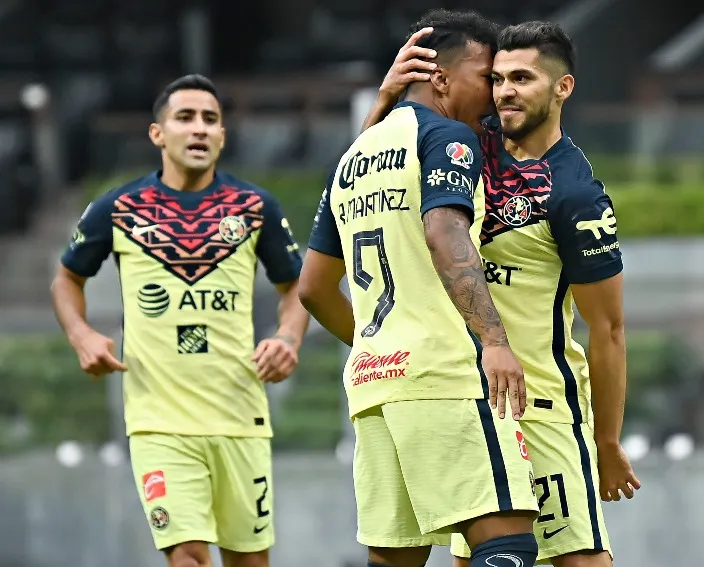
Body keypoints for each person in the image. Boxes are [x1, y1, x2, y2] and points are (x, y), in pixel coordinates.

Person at [363, 20, 641, 567]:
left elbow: (608, 329)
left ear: (562, 88)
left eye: (522, 78)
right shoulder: (467, 141)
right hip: (471, 408)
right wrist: (389, 100)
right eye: (497, 78)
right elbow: (374, 176)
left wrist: (607, 442)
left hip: (541, 411)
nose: (504, 91)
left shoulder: (576, 193)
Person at [298, 10, 540, 567]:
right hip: (444, 374)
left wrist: (381, 349)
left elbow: (313, 287)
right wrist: (494, 340)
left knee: (395, 560)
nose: (495, 92)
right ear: (440, 78)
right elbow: (444, 231)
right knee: (506, 541)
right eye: (486, 76)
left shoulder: (354, 156)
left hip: (374, 384)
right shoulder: (448, 137)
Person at [50, 74, 310, 567]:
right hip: (159, 421)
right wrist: (81, 334)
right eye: (185, 117)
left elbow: (296, 286)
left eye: (210, 120)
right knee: (188, 555)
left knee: (250, 561)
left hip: (240, 416)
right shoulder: (119, 207)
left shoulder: (254, 207)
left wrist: (288, 338)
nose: (199, 129)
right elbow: (66, 279)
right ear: (157, 133)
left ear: (222, 136)